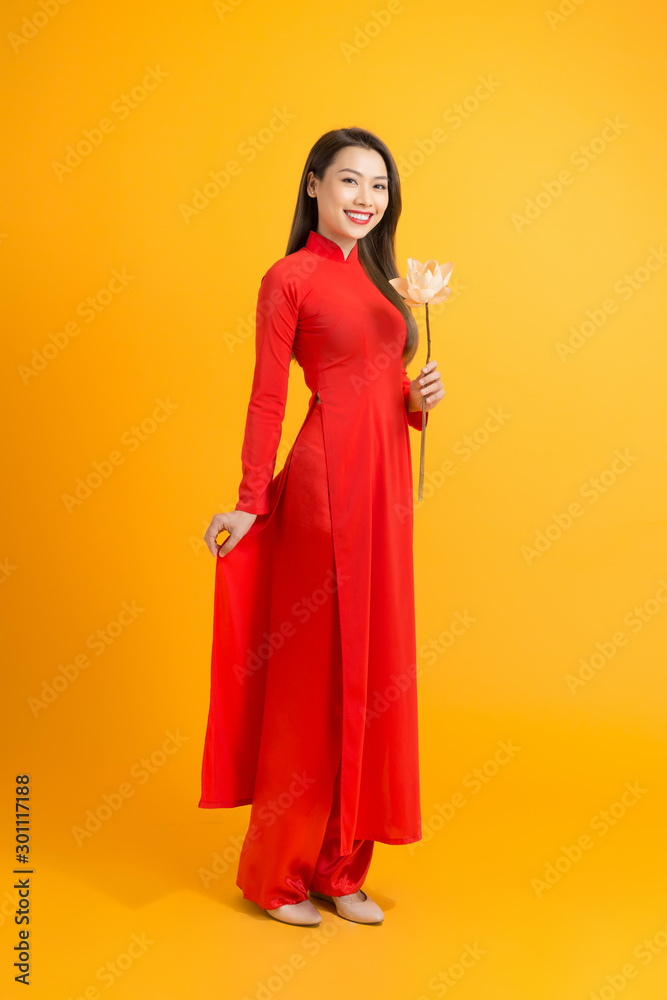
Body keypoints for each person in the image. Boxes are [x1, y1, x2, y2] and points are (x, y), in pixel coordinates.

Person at [199, 126, 446, 927]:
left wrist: (418, 399)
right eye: (349, 182)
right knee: (314, 677)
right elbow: (267, 396)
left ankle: (340, 868)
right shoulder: (289, 278)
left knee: (373, 673)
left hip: (383, 496)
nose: (365, 198)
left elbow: (383, 392)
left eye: (378, 186)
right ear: (313, 186)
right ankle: (278, 873)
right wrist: (247, 498)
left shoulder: (383, 286)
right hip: (323, 489)